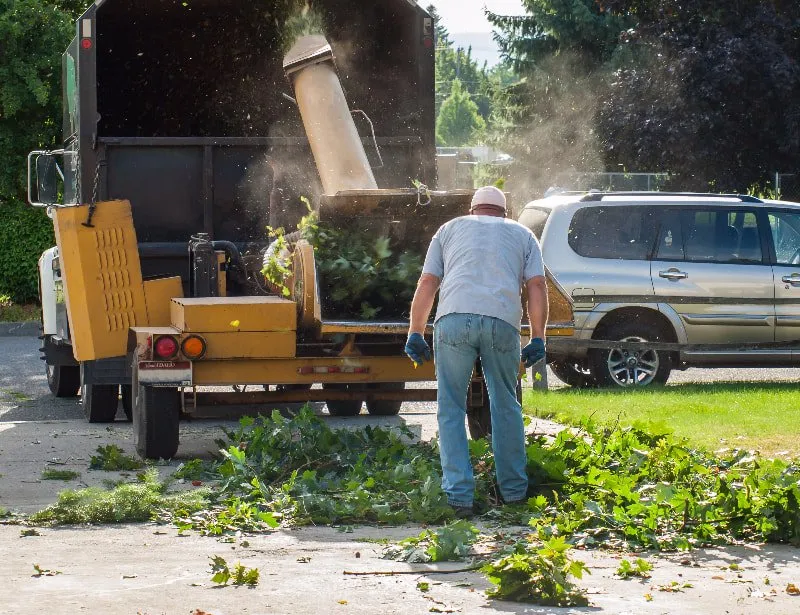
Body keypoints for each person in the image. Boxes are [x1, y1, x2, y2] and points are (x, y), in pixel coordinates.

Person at [405, 186, 548, 516]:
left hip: (453, 320)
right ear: (505, 213)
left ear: (473, 210)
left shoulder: (449, 229)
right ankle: (513, 495)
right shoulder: (522, 233)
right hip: (502, 322)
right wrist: (538, 337)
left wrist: (415, 331)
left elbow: (428, 282)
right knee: (505, 404)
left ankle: (459, 498)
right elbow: (536, 286)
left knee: (451, 406)